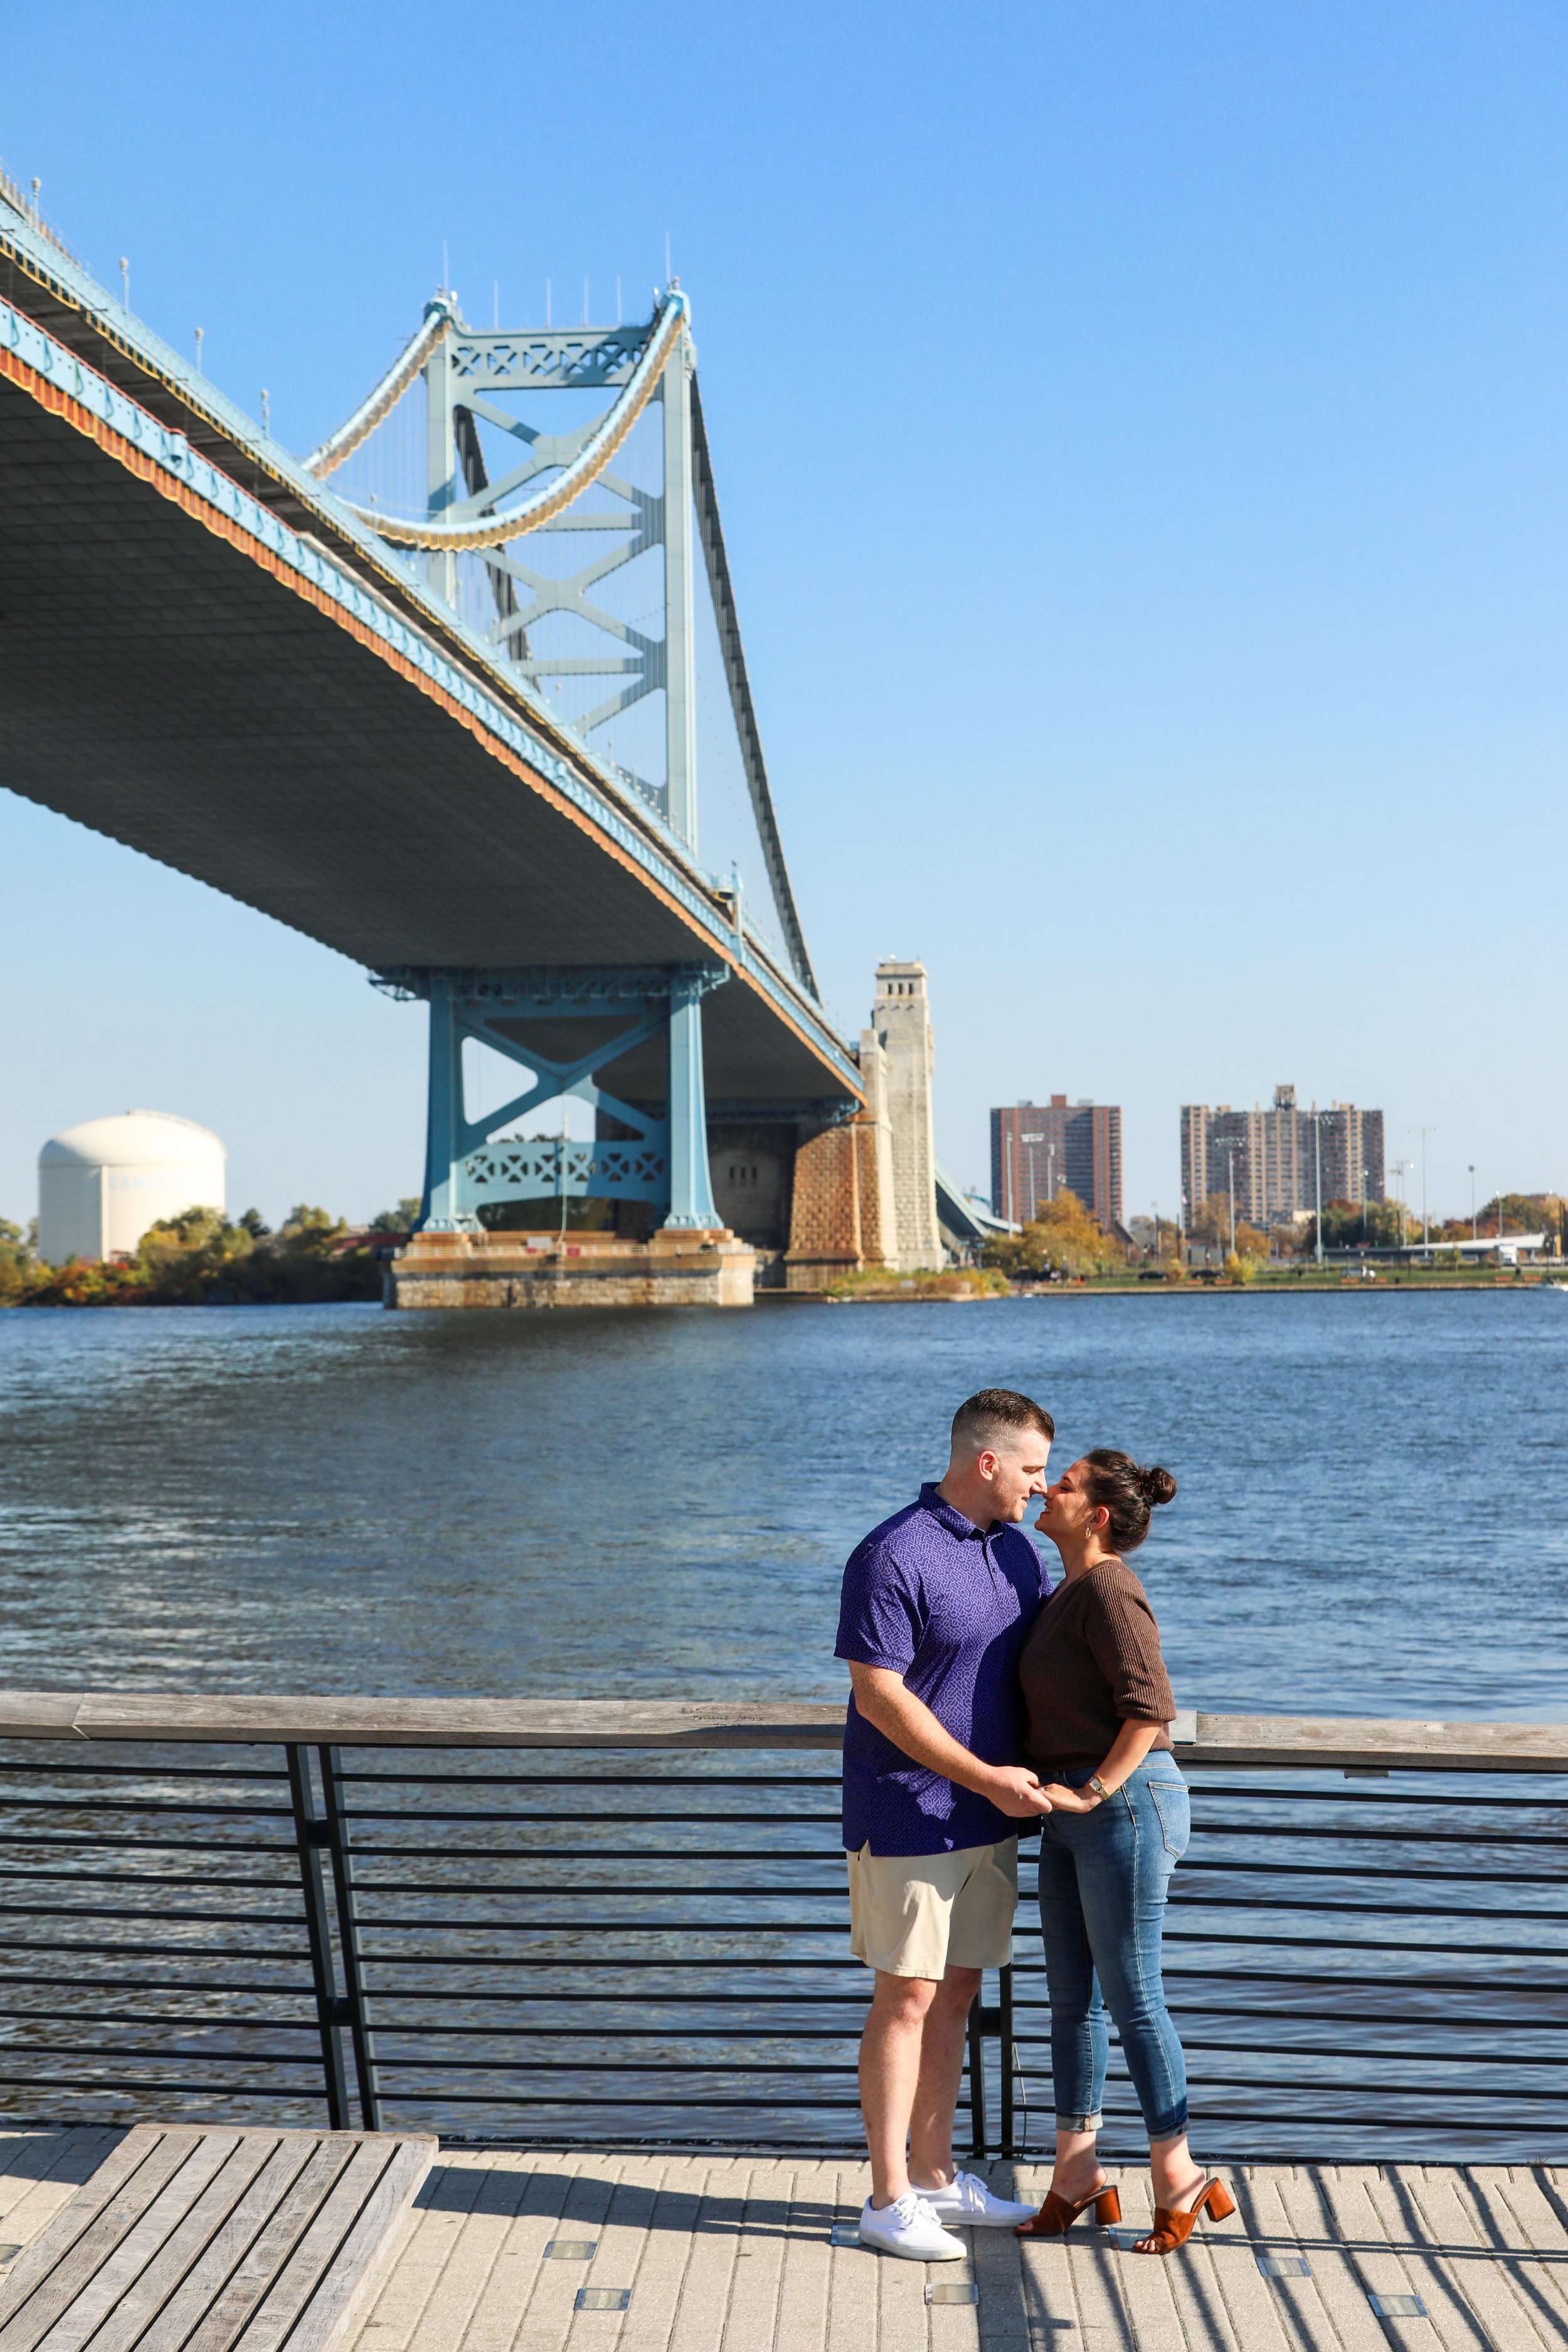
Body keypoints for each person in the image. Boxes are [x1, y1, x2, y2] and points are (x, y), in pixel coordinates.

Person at [835, 1387, 1056, 2261]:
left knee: (957, 1994)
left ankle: (933, 2177)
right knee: (907, 1999)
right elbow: (878, 1694)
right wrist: (984, 1778)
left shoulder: (1018, 1554)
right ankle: (887, 2200)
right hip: (909, 1814)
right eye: (1033, 1469)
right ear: (987, 1461)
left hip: (992, 1816)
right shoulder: (890, 1554)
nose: (1040, 1487)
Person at [1014, 1449, 1234, 2257]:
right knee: (1072, 2001)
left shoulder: (1108, 1587)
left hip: (1124, 1804)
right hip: (1073, 1809)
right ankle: (1076, 2174)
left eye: (1061, 1484)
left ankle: (1179, 2174)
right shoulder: (1063, 1590)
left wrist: (1096, 1791)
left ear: (1097, 1515)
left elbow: (1150, 1707)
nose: (1044, 1488)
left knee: (1134, 1997)